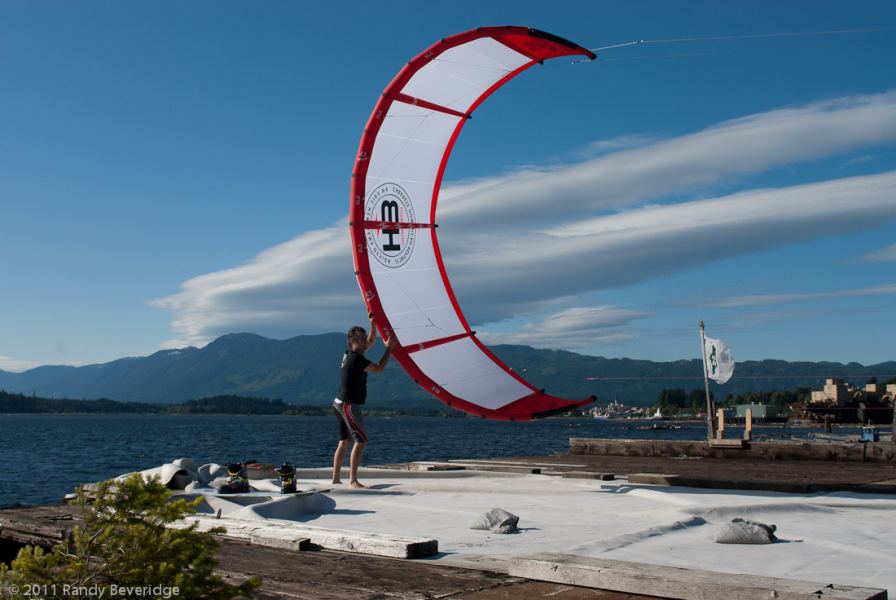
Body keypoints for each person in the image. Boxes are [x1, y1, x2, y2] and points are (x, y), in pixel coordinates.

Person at [332, 313, 394, 488]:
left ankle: (336, 479)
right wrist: (389, 348)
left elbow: (371, 341)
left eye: (364, 337)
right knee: (361, 440)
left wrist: (372, 323)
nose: (365, 341)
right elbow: (380, 368)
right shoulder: (356, 359)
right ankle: (353, 481)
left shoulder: (349, 354)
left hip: (338, 402)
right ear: (352, 341)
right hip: (348, 405)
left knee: (344, 441)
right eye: (360, 339)